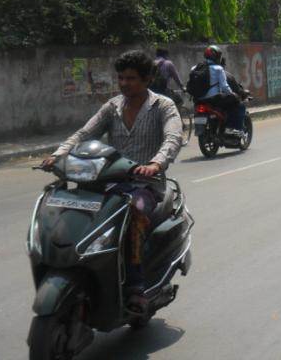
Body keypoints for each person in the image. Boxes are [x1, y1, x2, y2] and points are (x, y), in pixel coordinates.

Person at [41, 50, 183, 306]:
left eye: (131, 78)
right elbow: (84, 134)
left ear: (147, 79)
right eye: (121, 78)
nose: (125, 83)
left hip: (144, 185)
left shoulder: (163, 106)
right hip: (105, 181)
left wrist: (155, 163)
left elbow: (172, 138)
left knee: (134, 214)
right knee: (64, 205)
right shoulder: (112, 107)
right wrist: (58, 155)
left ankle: (136, 285)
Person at [197, 45, 246, 136]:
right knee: (239, 104)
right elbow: (224, 87)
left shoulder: (195, 68)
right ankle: (231, 128)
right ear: (217, 57)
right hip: (214, 99)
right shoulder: (219, 69)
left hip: (198, 100)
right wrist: (232, 94)